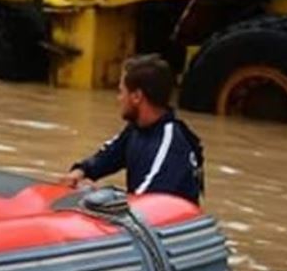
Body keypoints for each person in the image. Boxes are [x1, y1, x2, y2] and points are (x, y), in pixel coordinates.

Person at [61, 54, 204, 203]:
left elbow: (145, 203)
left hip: (161, 220)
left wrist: (97, 195)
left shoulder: (170, 145)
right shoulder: (137, 128)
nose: (119, 99)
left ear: (136, 96)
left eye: (121, 91)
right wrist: (81, 171)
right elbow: (109, 155)